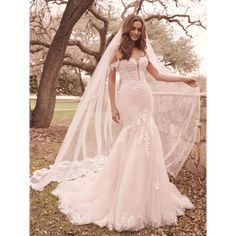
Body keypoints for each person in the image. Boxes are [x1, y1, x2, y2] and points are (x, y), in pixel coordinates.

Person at [30, 14, 200, 232]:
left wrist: (184, 79)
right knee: (134, 138)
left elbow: (158, 75)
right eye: (133, 28)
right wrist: (113, 106)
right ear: (127, 28)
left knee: (148, 139)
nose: (136, 32)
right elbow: (110, 79)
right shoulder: (119, 50)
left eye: (139, 29)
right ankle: (125, 189)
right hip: (128, 98)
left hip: (145, 99)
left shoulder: (144, 50)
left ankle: (146, 190)